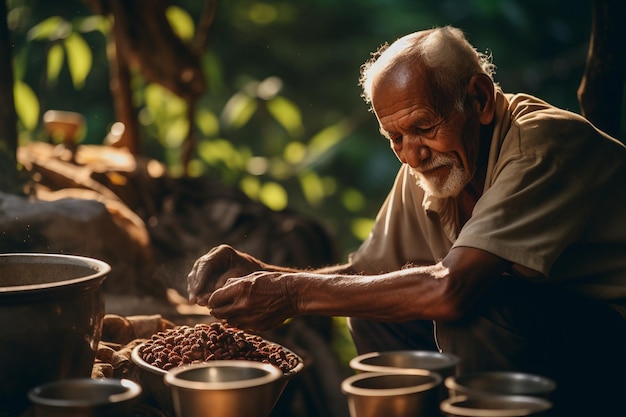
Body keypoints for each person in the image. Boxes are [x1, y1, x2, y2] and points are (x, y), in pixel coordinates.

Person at [187, 26, 626, 416]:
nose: (412, 152)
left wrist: (292, 295)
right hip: (552, 341)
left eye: (423, 126)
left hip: (611, 348)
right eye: (394, 137)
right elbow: (366, 277)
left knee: (478, 310)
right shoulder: (432, 163)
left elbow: (451, 291)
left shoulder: (542, 147)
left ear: (479, 100)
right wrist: (265, 275)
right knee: (374, 308)